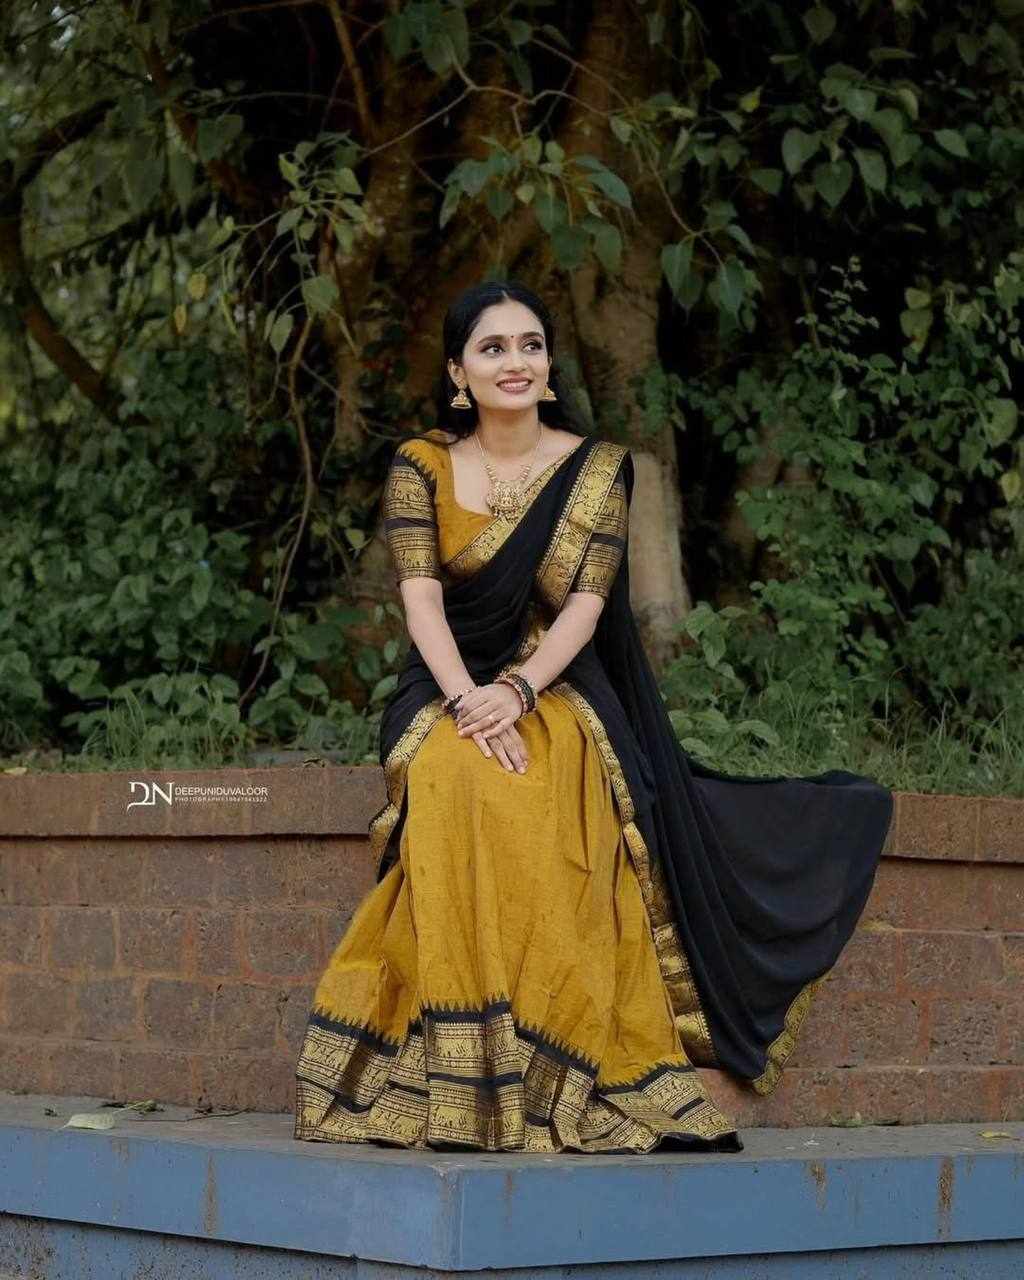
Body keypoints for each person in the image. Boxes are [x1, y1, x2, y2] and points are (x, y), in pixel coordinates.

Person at [293, 279, 894, 1155]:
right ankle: (463, 1067)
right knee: (453, 776)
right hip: (446, 682)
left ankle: (542, 1057)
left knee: (546, 794)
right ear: (458, 372)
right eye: (492, 347)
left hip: (555, 682)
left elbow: (583, 606)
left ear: (548, 365)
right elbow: (420, 598)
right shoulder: (421, 464)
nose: (515, 362)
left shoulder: (595, 469)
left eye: (530, 345)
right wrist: (468, 700)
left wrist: (517, 692)